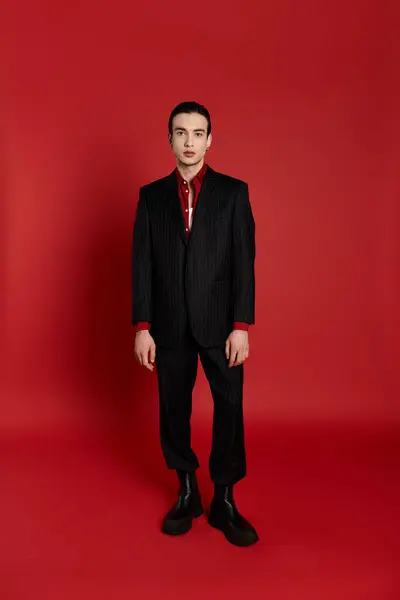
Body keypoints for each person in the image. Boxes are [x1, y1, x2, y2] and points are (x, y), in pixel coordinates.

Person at [131, 101, 258, 547]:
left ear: (209, 139)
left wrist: (241, 325)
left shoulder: (233, 193)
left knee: (230, 409)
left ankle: (224, 497)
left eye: (197, 133)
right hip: (168, 327)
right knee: (173, 409)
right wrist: (142, 326)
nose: (189, 141)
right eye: (180, 133)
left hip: (222, 325)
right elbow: (142, 264)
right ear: (169, 140)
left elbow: (245, 262)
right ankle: (187, 491)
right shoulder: (151, 196)